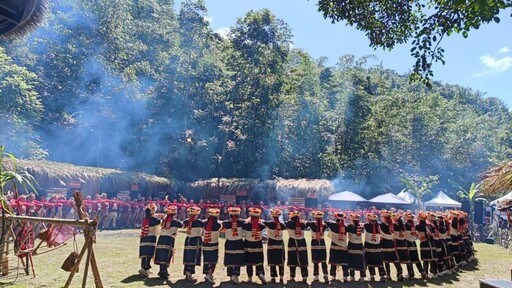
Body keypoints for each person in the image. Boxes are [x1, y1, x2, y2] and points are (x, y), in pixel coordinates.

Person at [154, 205, 182, 279]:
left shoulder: (164, 220)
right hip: (169, 239)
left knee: (161, 253)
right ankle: (163, 271)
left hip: (161, 238)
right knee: (166, 254)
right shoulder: (176, 221)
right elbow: (181, 225)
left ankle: (162, 270)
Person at [243, 207, 266, 284]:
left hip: (248, 244)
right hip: (258, 245)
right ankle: (260, 273)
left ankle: (250, 278)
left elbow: (245, 223)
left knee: (249, 262)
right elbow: (263, 225)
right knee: (259, 261)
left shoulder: (245, 224)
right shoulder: (261, 225)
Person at [222, 207, 245, 284]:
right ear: (238, 215)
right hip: (239, 242)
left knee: (230, 258)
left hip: (229, 243)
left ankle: (231, 274)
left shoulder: (226, 223)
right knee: (238, 258)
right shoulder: (242, 222)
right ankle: (235, 274)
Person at [138, 203, 161, 277]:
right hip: (151, 237)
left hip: (144, 237)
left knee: (144, 253)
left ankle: (143, 266)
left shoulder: (145, 218)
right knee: (149, 253)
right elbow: (160, 222)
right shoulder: (154, 219)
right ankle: (146, 267)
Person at [285, 210, 309, 284]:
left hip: (292, 242)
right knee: (303, 259)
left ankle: (292, 276)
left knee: (292, 258)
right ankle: (304, 276)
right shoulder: (302, 224)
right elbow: (307, 224)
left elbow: (285, 223)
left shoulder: (288, 223)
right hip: (301, 242)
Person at [264, 208, 286, 284]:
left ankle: (273, 277)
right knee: (281, 261)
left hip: (271, 243)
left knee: (272, 260)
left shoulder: (268, 223)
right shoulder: (282, 225)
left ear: (272, 216)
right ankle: (281, 278)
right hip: (279, 243)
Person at [326, 211, 349, 282]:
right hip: (343, 246)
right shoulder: (346, 227)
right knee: (344, 261)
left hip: (334, 246)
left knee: (333, 261)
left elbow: (326, 222)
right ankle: (345, 276)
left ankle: (333, 276)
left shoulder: (332, 225)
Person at [363, 212, 386, 282]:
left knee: (369, 260)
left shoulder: (366, 225)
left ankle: (372, 276)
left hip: (369, 245)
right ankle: (382, 275)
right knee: (379, 260)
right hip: (377, 245)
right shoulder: (379, 225)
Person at [308, 210, 329, 284]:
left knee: (315, 261)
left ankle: (316, 276)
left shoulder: (311, 224)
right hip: (322, 244)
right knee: (323, 261)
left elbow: (304, 224)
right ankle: (325, 274)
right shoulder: (324, 225)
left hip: (314, 243)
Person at [380, 210, 402, 281]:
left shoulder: (382, 225)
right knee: (394, 259)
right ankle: (400, 273)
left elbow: (380, 235)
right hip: (391, 242)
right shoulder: (392, 224)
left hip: (384, 243)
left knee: (386, 260)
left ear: (384, 218)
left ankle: (388, 275)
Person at [182, 206, 203, 282]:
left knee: (187, 255)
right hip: (196, 240)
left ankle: (186, 271)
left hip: (188, 239)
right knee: (194, 256)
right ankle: (190, 272)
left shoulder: (186, 221)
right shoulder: (200, 222)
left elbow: (183, 227)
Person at [202, 208, 222, 284]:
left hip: (205, 244)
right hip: (214, 244)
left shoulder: (204, 223)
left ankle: (207, 273)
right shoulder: (218, 225)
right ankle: (209, 274)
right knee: (213, 260)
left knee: (206, 259)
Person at [417, 212, 438, 278]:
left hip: (424, 243)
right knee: (432, 259)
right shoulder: (430, 226)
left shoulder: (418, 226)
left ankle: (425, 273)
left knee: (425, 259)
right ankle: (435, 273)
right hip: (431, 242)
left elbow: (419, 236)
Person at [346, 212, 366, 282]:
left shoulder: (349, 227)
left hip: (352, 245)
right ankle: (362, 277)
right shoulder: (361, 227)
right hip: (359, 245)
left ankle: (352, 276)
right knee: (360, 260)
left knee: (352, 259)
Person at [404, 212, 424, 280]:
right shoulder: (413, 225)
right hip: (413, 242)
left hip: (408, 242)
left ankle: (411, 273)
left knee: (408, 259)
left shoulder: (406, 225)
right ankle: (422, 271)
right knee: (415, 258)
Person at [392, 213, 409, 281]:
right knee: (406, 259)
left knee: (396, 259)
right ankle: (410, 273)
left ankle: (399, 273)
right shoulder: (402, 226)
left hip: (397, 243)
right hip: (403, 243)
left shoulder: (394, 225)